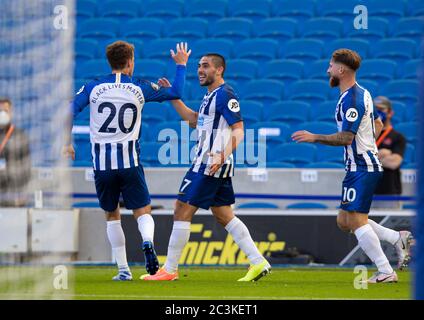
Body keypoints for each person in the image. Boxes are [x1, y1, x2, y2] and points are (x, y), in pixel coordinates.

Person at [63, 41, 191, 281]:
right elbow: (176, 93)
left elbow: (69, 110)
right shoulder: (140, 86)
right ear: (130, 61)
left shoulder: (93, 86)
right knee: (142, 211)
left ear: (110, 62)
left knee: (112, 215)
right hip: (130, 162)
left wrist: (67, 143)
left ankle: (123, 270)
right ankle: (147, 241)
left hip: (102, 165)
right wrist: (181, 65)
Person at [142, 53, 271, 282]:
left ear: (219, 70)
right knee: (223, 215)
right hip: (212, 162)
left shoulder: (225, 94)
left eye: (205, 66)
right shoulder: (209, 96)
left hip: (210, 162)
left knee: (182, 208)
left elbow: (239, 129)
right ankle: (258, 261)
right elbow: (193, 120)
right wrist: (172, 97)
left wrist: (222, 155)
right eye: (198, 66)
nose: (200, 70)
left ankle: (170, 270)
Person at [291, 49, 412, 283]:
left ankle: (385, 270)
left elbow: (346, 138)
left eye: (330, 66)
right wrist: (368, 143)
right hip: (359, 166)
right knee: (344, 221)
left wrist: (314, 137)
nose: (327, 70)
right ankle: (397, 237)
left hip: (362, 167)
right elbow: (376, 123)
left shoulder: (352, 100)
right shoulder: (364, 94)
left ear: (341, 70)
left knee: (356, 221)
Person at [0, 98, 31, 207]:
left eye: (5, 111)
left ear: (11, 112)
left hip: (13, 194)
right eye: (0, 111)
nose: (3, 114)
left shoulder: (20, 136)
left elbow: (26, 169)